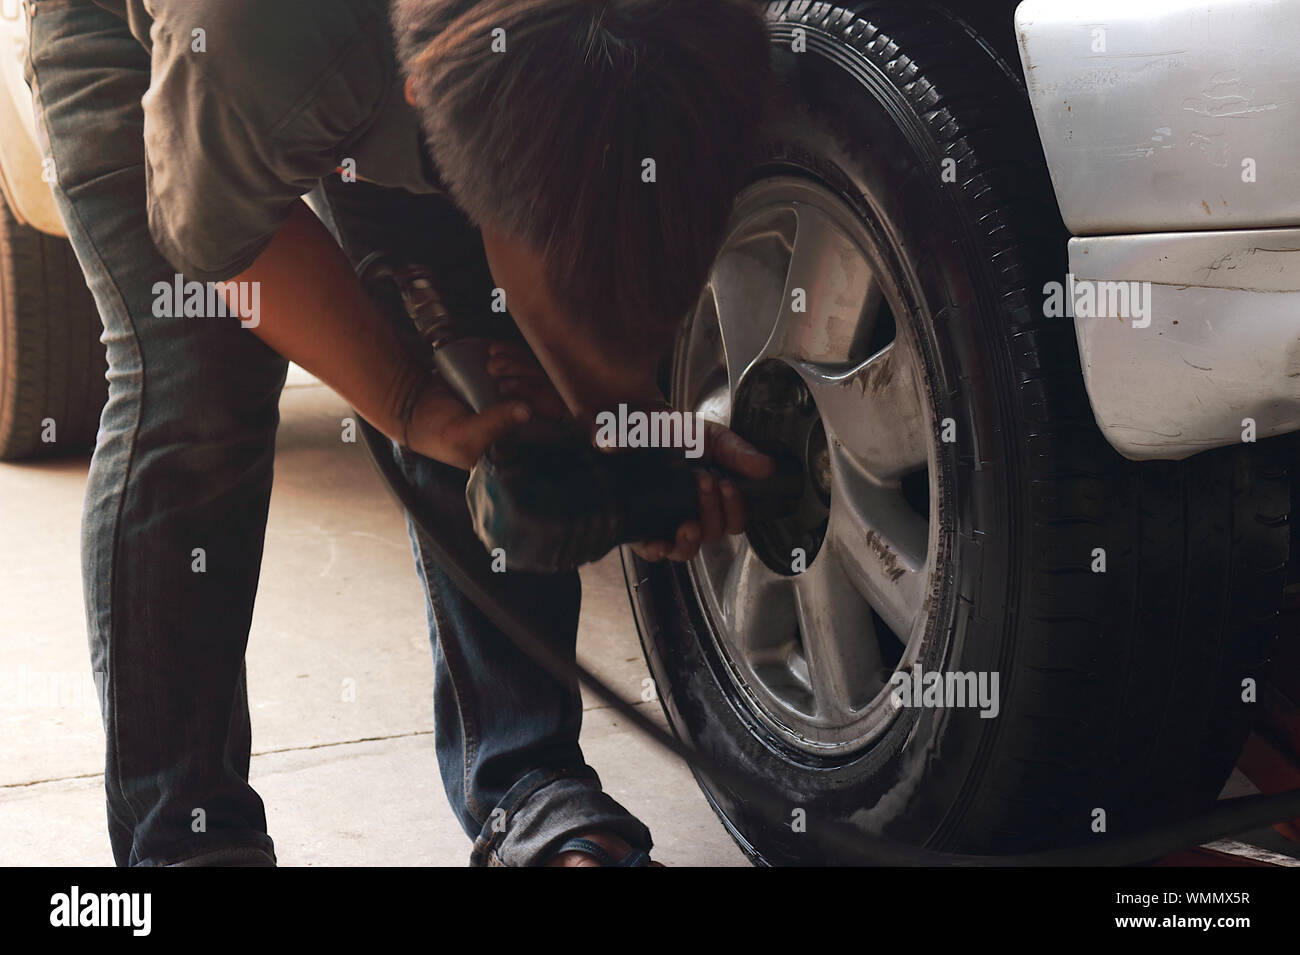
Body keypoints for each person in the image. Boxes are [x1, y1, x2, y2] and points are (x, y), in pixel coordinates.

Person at [25, 0, 771, 866]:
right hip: (161, 50)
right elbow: (221, 240)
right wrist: (411, 404)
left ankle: (529, 787)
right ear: (429, 96)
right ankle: (188, 838)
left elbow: (586, 250)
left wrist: (621, 421)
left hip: (411, 55)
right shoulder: (256, 36)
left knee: (491, 372)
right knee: (195, 393)